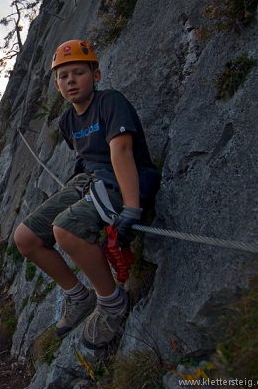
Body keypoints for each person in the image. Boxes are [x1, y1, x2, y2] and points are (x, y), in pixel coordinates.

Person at [14, 39, 161, 350]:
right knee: (25, 238)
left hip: (126, 181)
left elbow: (121, 150)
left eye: (78, 72)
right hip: (89, 181)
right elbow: (85, 157)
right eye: (63, 76)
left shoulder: (110, 102)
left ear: (95, 75)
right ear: (57, 85)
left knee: (65, 229)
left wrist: (132, 208)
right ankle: (79, 296)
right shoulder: (67, 121)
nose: (71, 81)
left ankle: (112, 303)